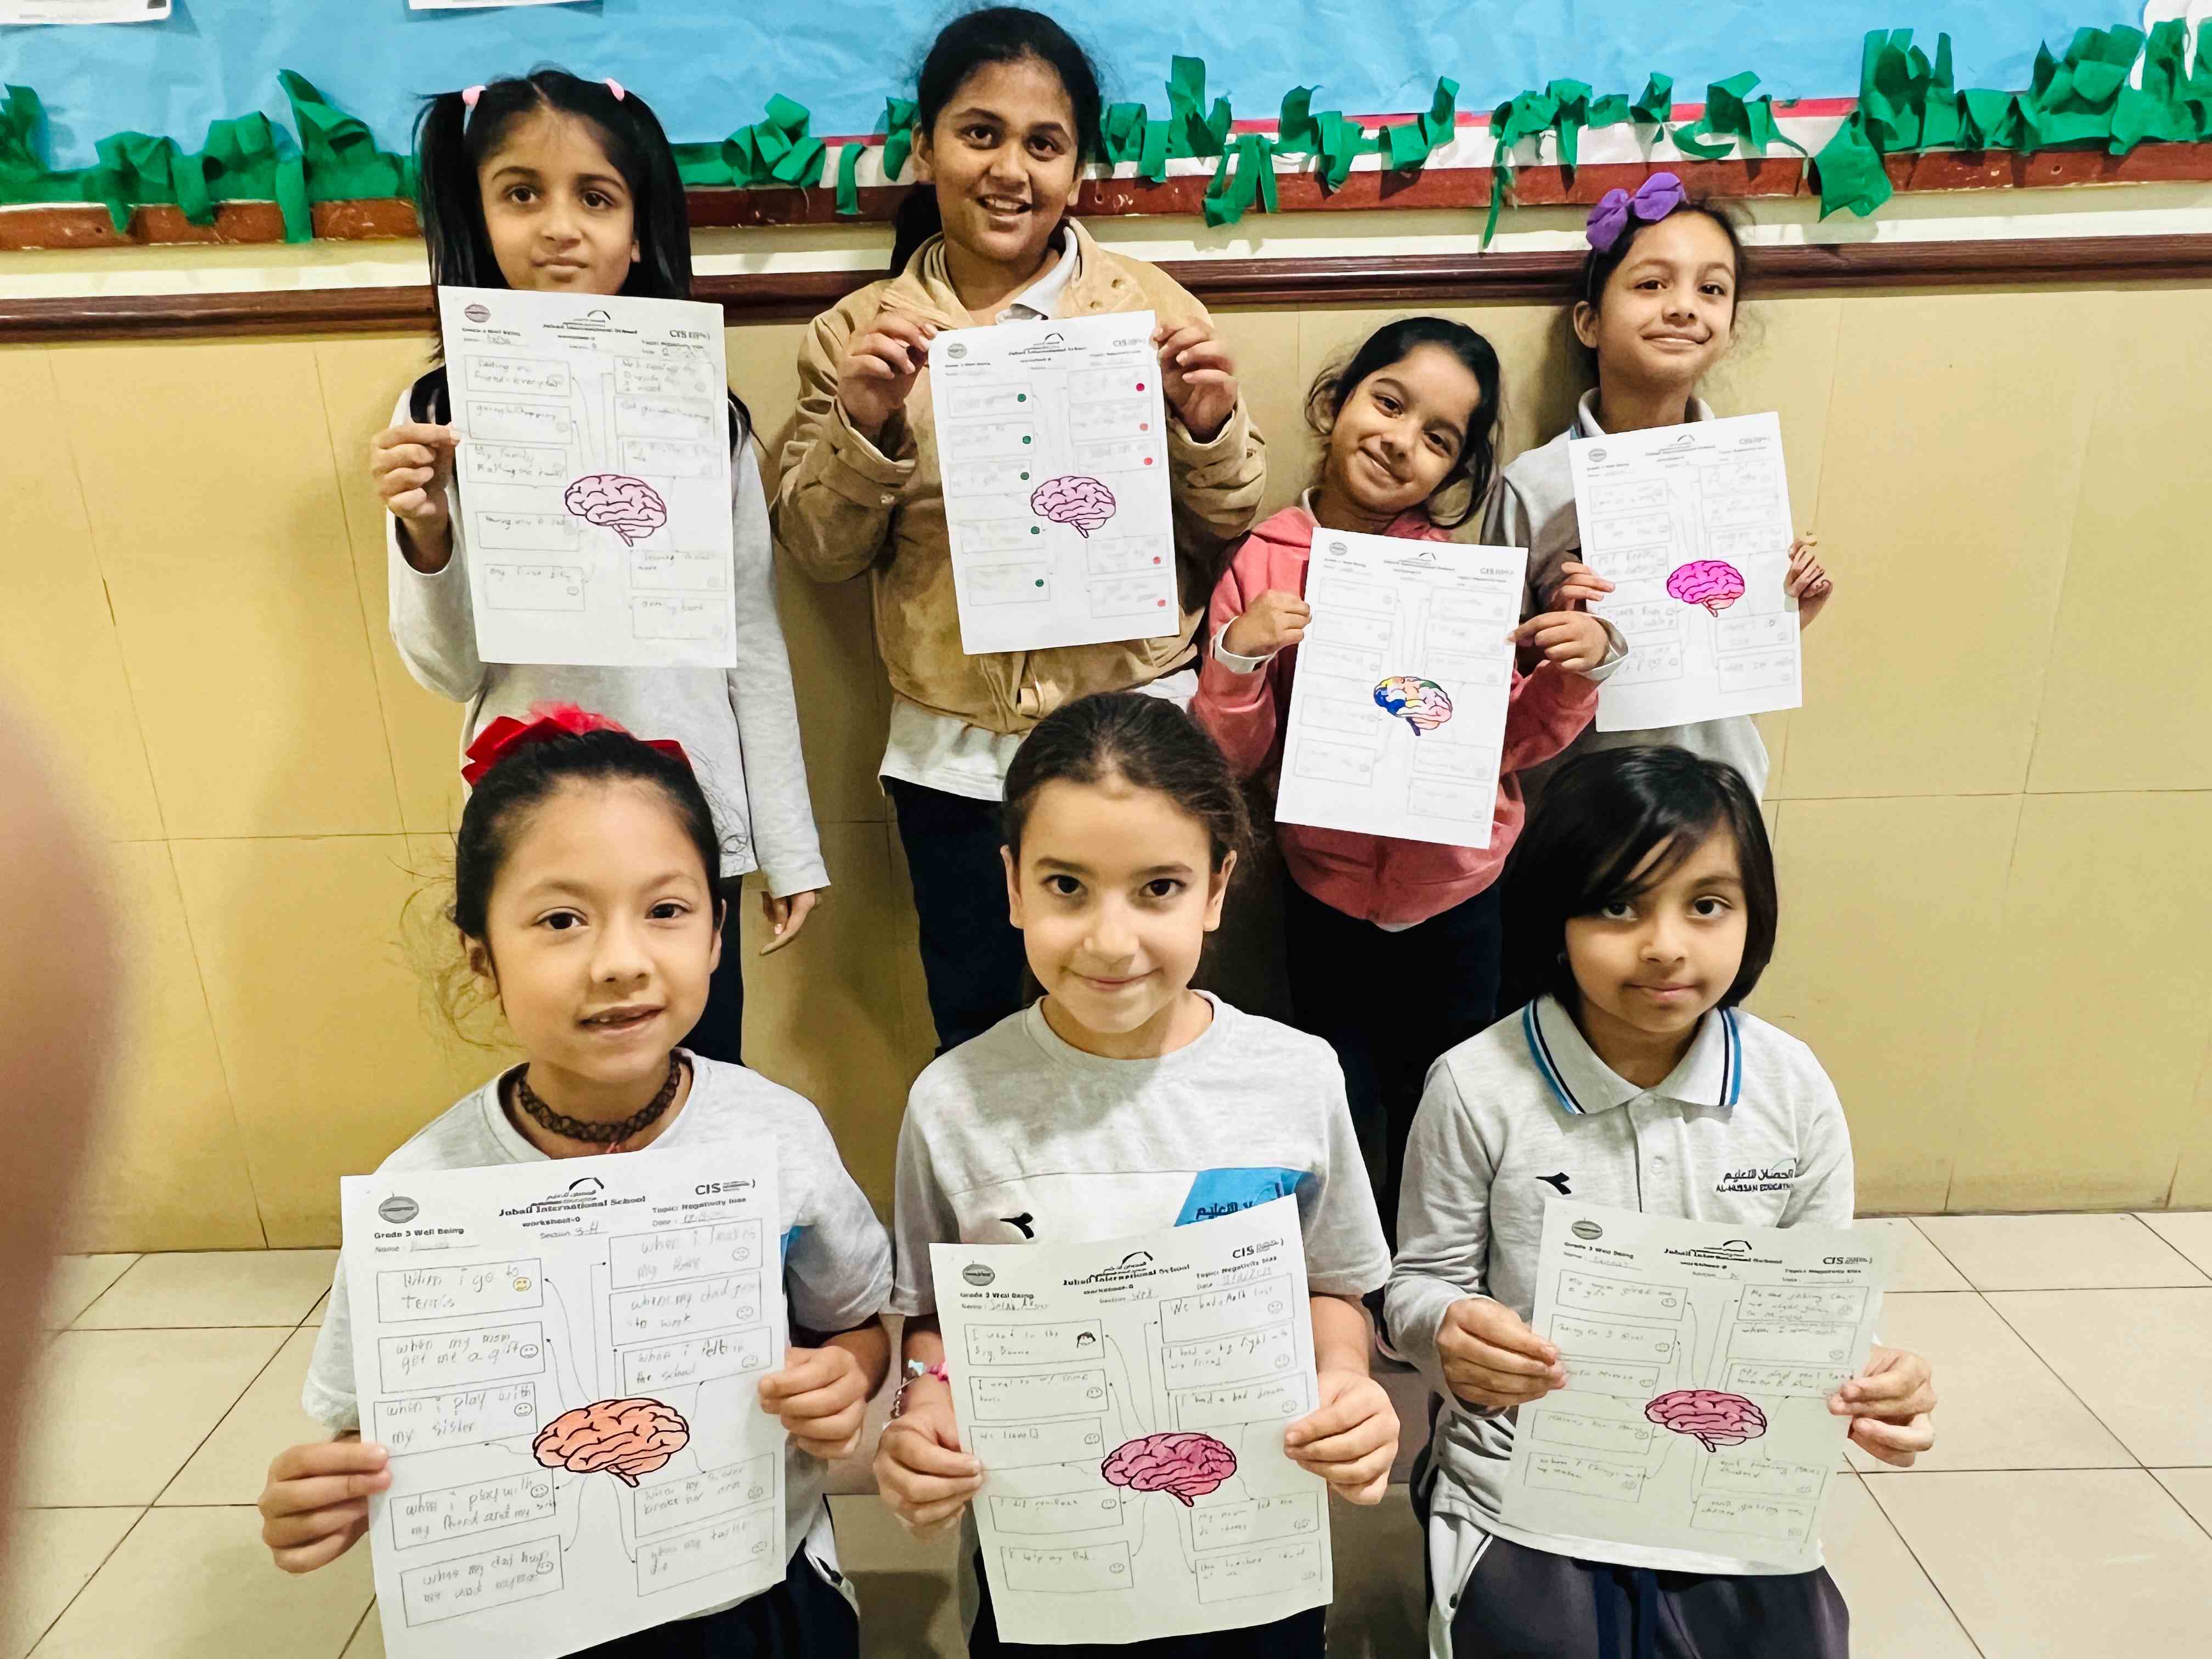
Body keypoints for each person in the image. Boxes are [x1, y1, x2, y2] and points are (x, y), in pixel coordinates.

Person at [257, 706, 891, 1656]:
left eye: (666, 911)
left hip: (751, 1584)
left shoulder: (777, 1135)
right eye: (561, 920)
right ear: (482, 956)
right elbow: (369, 1426)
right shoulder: (423, 1195)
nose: (622, 962)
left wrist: (847, 1377)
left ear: (716, 934)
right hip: (532, 1613)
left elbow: (855, 1325)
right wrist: (328, 1493)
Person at [772, 8, 1266, 1054]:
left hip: (1137, 730)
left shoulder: (1149, 310)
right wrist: (863, 422)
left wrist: (1206, 424)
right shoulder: (857, 334)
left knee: (1147, 1017)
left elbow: (1229, 520)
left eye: (1043, 144)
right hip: (955, 757)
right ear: (923, 148)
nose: (1009, 170)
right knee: (982, 1030)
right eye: (978, 134)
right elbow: (819, 551)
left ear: (1078, 168)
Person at [873, 692, 1393, 1656]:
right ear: (1013, 885)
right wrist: (925, 1402)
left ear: (1216, 887)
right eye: (1067, 886)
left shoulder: (1295, 1077)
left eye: (1158, 888)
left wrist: (1345, 1377)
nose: (1111, 940)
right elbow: (938, 1317)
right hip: (1049, 1568)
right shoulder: (954, 1100)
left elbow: (1333, 1283)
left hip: (1251, 1560)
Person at [1387, 746, 1936, 1658]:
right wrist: (1448, 1330)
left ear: (1754, 915)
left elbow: (1820, 1304)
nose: (1666, 945)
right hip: (1526, 1474)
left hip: (1726, 1481)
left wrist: (1877, 1381)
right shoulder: (1476, 1086)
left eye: (1707, 905)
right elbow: (1418, 1283)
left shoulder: (1791, 1085)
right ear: (1554, 917)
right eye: (1617, 905)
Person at [373, 69, 826, 1064]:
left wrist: (786, 842)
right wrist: (428, 536)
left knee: (702, 1064)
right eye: (521, 193)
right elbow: (449, 670)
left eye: (595, 197)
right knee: (576, 1064)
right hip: (533, 810)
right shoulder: (438, 412)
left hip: (687, 811)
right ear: (476, 215)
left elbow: (750, 639)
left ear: (639, 228)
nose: (559, 228)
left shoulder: (703, 414)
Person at [1191, 317, 1617, 1231]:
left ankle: (1438, 1263)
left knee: (1449, 1090)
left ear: (1455, 470)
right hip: (1324, 886)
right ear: (1336, 400)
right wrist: (1238, 655)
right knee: (1338, 1087)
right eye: (1387, 403)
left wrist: (1574, 671)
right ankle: (1351, 1266)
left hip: (1459, 890)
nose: (1399, 441)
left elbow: (1508, 742)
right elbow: (1234, 756)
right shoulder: (1264, 560)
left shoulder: (1453, 576)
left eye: (1438, 438)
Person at [1485, 175, 1834, 800]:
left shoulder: (1743, 472)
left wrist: (1782, 612)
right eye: (1651, 285)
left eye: (1712, 289)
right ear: (1590, 323)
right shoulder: (1534, 486)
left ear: (1731, 329)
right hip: (1578, 804)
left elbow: (1728, 644)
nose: (1683, 307)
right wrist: (1558, 641)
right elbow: (1492, 669)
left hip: (1719, 791)